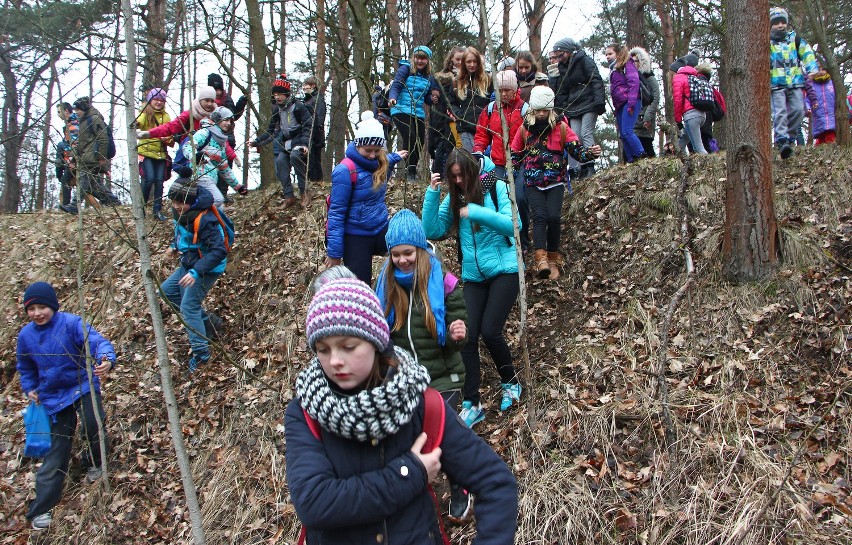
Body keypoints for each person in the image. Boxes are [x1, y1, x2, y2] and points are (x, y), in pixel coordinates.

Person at [285, 276, 518, 543]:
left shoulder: (420, 403)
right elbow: (315, 504)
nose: (335, 360)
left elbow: (496, 484)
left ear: (375, 341)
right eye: (323, 350)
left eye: (348, 346)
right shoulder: (306, 413)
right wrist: (410, 473)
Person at [374, 209, 472, 521]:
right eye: (396, 255)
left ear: (420, 249)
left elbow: (460, 332)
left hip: (444, 375)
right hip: (405, 380)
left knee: (443, 437)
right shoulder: (386, 287)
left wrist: (458, 333)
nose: (403, 260)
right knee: (412, 441)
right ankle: (417, 495)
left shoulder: (443, 282)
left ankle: (461, 486)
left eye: (408, 253)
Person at [422, 148, 522, 428]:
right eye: (453, 177)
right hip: (474, 276)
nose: (457, 181)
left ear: (473, 171)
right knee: (465, 335)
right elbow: (431, 230)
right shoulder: (455, 199)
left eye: (461, 175)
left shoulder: (498, 188)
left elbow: (515, 224)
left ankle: (510, 383)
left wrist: (477, 212)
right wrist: (432, 194)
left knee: (490, 331)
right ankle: (471, 402)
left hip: (505, 269)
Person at [16, 281, 117, 531]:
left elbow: (97, 341)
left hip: (82, 385)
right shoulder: (26, 336)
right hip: (51, 396)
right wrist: (30, 388)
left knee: (93, 422)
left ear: (53, 306)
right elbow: (25, 367)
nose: (37, 313)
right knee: (56, 452)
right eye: (32, 309)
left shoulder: (71, 323)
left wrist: (106, 360)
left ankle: (94, 462)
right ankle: (41, 509)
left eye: (42, 307)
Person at [511, 86, 601, 280]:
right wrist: (510, 176)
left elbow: (577, 150)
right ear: (533, 110)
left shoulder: (561, 127)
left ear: (551, 109)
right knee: (539, 217)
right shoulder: (525, 129)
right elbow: (515, 155)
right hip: (533, 183)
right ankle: (540, 258)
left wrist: (590, 153)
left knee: (553, 217)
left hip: (556, 181)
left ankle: (553, 257)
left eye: (545, 110)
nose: (542, 114)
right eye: (538, 110)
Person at [324, 111, 407, 285]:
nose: (372, 155)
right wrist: (334, 253)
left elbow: (387, 162)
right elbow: (336, 214)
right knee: (360, 287)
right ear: (357, 145)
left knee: (409, 253)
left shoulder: (381, 162)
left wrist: (396, 157)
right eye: (368, 150)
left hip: (380, 228)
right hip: (356, 235)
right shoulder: (344, 171)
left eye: (376, 151)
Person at [161, 172, 232, 372]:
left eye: (180, 202)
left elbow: (219, 250)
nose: (175, 206)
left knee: (188, 307)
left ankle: (202, 355)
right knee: (167, 292)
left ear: (191, 201)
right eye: (173, 201)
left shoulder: (206, 219)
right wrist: (173, 246)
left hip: (206, 268)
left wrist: (196, 273)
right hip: (190, 262)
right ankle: (209, 322)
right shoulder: (182, 213)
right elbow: (182, 233)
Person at [474, 70, 531, 251]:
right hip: (497, 163)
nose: (504, 94)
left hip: (520, 163)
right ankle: (503, 240)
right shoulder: (490, 110)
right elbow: (482, 134)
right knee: (497, 199)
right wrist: (478, 152)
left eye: (508, 90)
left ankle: (522, 239)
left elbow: (531, 137)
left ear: (515, 90)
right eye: (501, 90)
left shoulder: (525, 110)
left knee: (520, 199)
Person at [137, 86, 239, 172]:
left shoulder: (216, 117)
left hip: (209, 157)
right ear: (200, 100)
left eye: (212, 101)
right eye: (206, 100)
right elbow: (171, 127)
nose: (209, 104)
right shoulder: (189, 113)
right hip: (188, 154)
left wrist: (233, 156)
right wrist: (149, 133)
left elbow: (221, 139)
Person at [249, 75, 313, 208]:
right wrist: (257, 141)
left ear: (286, 94)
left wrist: (305, 144)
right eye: (275, 94)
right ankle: (289, 196)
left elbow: (308, 125)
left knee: (295, 158)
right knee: (280, 163)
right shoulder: (277, 110)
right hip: (286, 143)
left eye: (279, 94)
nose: (277, 97)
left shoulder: (298, 107)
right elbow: (271, 130)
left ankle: (305, 192)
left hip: (299, 141)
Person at [547, 38, 606, 178]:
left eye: (561, 54)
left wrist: (599, 102)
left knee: (586, 133)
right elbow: (562, 91)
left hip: (589, 102)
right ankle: (575, 169)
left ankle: (589, 166)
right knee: (574, 136)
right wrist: (560, 110)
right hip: (573, 106)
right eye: (557, 55)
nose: (559, 58)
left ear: (568, 51)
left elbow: (596, 79)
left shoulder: (585, 60)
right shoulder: (563, 67)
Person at [769, 6, 819, 159]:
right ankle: (782, 139)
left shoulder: (795, 40)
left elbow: (807, 53)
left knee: (798, 110)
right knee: (780, 112)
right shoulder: (767, 42)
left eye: (782, 22)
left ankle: (789, 137)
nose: (780, 25)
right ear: (771, 25)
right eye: (776, 23)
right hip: (776, 84)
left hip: (795, 82)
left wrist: (812, 69)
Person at [388, 45, 439, 182]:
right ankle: (409, 172)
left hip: (417, 113)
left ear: (428, 60)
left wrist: (432, 99)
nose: (420, 61)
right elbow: (397, 84)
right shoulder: (406, 69)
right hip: (400, 109)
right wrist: (392, 97)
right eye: (417, 58)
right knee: (410, 136)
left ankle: (410, 169)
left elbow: (426, 97)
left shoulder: (429, 77)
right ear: (413, 58)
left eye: (423, 58)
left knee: (420, 141)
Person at [182, 106, 248, 207]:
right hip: (199, 176)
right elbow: (187, 147)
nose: (228, 123)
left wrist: (238, 187)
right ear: (217, 119)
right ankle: (191, 212)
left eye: (230, 121)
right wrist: (195, 156)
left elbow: (224, 168)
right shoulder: (205, 133)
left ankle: (209, 222)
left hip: (211, 179)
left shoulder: (221, 142)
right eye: (226, 120)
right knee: (217, 199)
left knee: (220, 207)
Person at [72, 97, 121, 206]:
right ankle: (113, 201)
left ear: (84, 109)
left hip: (92, 157)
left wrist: (100, 157)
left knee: (83, 180)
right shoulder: (83, 121)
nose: (76, 112)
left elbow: (103, 139)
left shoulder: (93, 119)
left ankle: (75, 205)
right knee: (94, 185)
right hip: (86, 156)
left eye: (78, 110)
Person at [135, 88, 173, 220]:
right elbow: (140, 122)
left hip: (160, 153)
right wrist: (136, 124)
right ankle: (141, 207)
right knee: (148, 179)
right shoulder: (145, 112)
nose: (158, 102)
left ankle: (157, 210)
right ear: (150, 100)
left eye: (161, 100)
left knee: (159, 181)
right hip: (146, 151)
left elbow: (170, 131)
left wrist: (169, 139)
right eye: (156, 99)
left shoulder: (166, 116)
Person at [605, 44, 645, 163]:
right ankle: (631, 159)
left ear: (618, 53)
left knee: (627, 131)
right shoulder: (614, 69)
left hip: (630, 101)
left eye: (610, 54)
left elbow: (634, 83)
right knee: (623, 134)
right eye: (606, 54)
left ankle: (641, 154)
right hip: (620, 104)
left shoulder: (627, 63)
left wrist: (631, 103)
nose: (607, 57)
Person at [449, 47, 492, 152]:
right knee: (469, 160)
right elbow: (450, 103)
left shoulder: (488, 80)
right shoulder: (457, 81)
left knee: (484, 161)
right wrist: (460, 115)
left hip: (485, 128)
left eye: (474, 61)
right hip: (465, 127)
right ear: (464, 63)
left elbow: (493, 101)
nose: (472, 65)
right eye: (469, 62)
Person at [671, 52, 708, 155]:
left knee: (699, 149)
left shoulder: (679, 77)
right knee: (681, 145)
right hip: (701, 115)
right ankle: (682, 164)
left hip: (691, 116)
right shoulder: (696, 76)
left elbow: (677, 101)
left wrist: (678, 120)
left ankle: (709, 168)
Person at [630, 47, 660, 158]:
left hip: (644, 120)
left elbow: (655, 98)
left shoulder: (650, 78)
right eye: (631, 61)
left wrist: (647, 117)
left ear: (642, 62)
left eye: (636, 61)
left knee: (646, 147)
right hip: (633, 118)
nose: (633, 64)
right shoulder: (631, 79)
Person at [301, 76, 327, 193]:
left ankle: (318, 183)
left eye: (306, 85)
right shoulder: (307, 100)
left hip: (315, 136)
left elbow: (319, 119)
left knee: (314, 160)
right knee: (308, 161)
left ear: (313, 86)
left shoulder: (318, 100)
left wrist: (315, 133)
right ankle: (311, 183)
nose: (304, 87)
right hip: (307, 135)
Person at [695, 64, 727, 153]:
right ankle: (714, 154)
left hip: (698, 118)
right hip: (708, 122)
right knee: (708, 140)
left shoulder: (697, 83)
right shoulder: (710, 86)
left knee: (696, 142)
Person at [56, 102, 79, 214]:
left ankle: (66, 206)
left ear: (66, 111)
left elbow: (74, 145)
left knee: (65, 180)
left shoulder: (73, 124)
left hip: (75, 159)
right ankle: (111, 201)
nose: (58, 115)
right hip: (71, 159)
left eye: (59, 112)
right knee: (92, 186)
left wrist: (71, 161)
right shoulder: (70, 123)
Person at [806, 69, 837, 145]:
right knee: (821, 136)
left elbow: (839, 97)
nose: (821, 72)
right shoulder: (812, 85)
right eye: (818, 69)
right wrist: (807, 108)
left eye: (823, 69)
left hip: (832, 115)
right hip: (818, 115)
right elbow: (807, 98)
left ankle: (829, 150)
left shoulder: (832, 83)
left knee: (830, 135)